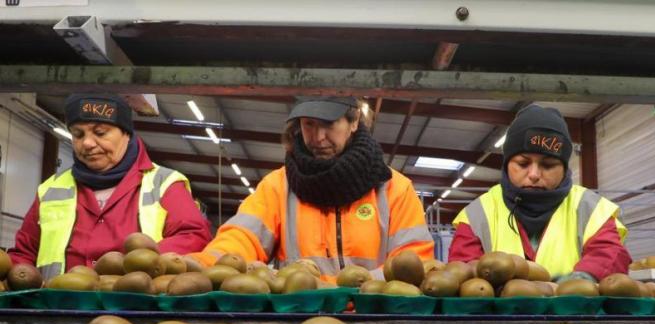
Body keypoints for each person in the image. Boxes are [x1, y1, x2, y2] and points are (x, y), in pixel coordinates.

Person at [190, 96, 434, 281]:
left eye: (328, 124)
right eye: (308, 125)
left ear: (354, 121)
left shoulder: (393, 189)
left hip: (376, 321)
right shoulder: (278, 186)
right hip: (299, 319)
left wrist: (342, 290)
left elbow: (414, 260)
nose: (318, 137)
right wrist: (200, 263)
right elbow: (240, 240)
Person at [9, 93, 212, 278]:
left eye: (100, 132)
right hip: (60, 309)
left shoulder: (164, 183)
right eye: (78, 135)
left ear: (126, 134)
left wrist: (137, 262)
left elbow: (193, 236)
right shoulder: (50, 190)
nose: (87, 143)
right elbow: (24, 254)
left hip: (138, 307)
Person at [448, 104, 631, 282]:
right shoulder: (477, 215)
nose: (534, 174)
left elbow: (609, 254)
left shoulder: (592, 209)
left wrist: (583, 279)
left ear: (565, 168)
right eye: (523, 163)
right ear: (506, 164)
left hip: (575, 312)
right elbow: (463, 269)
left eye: (548, 165)